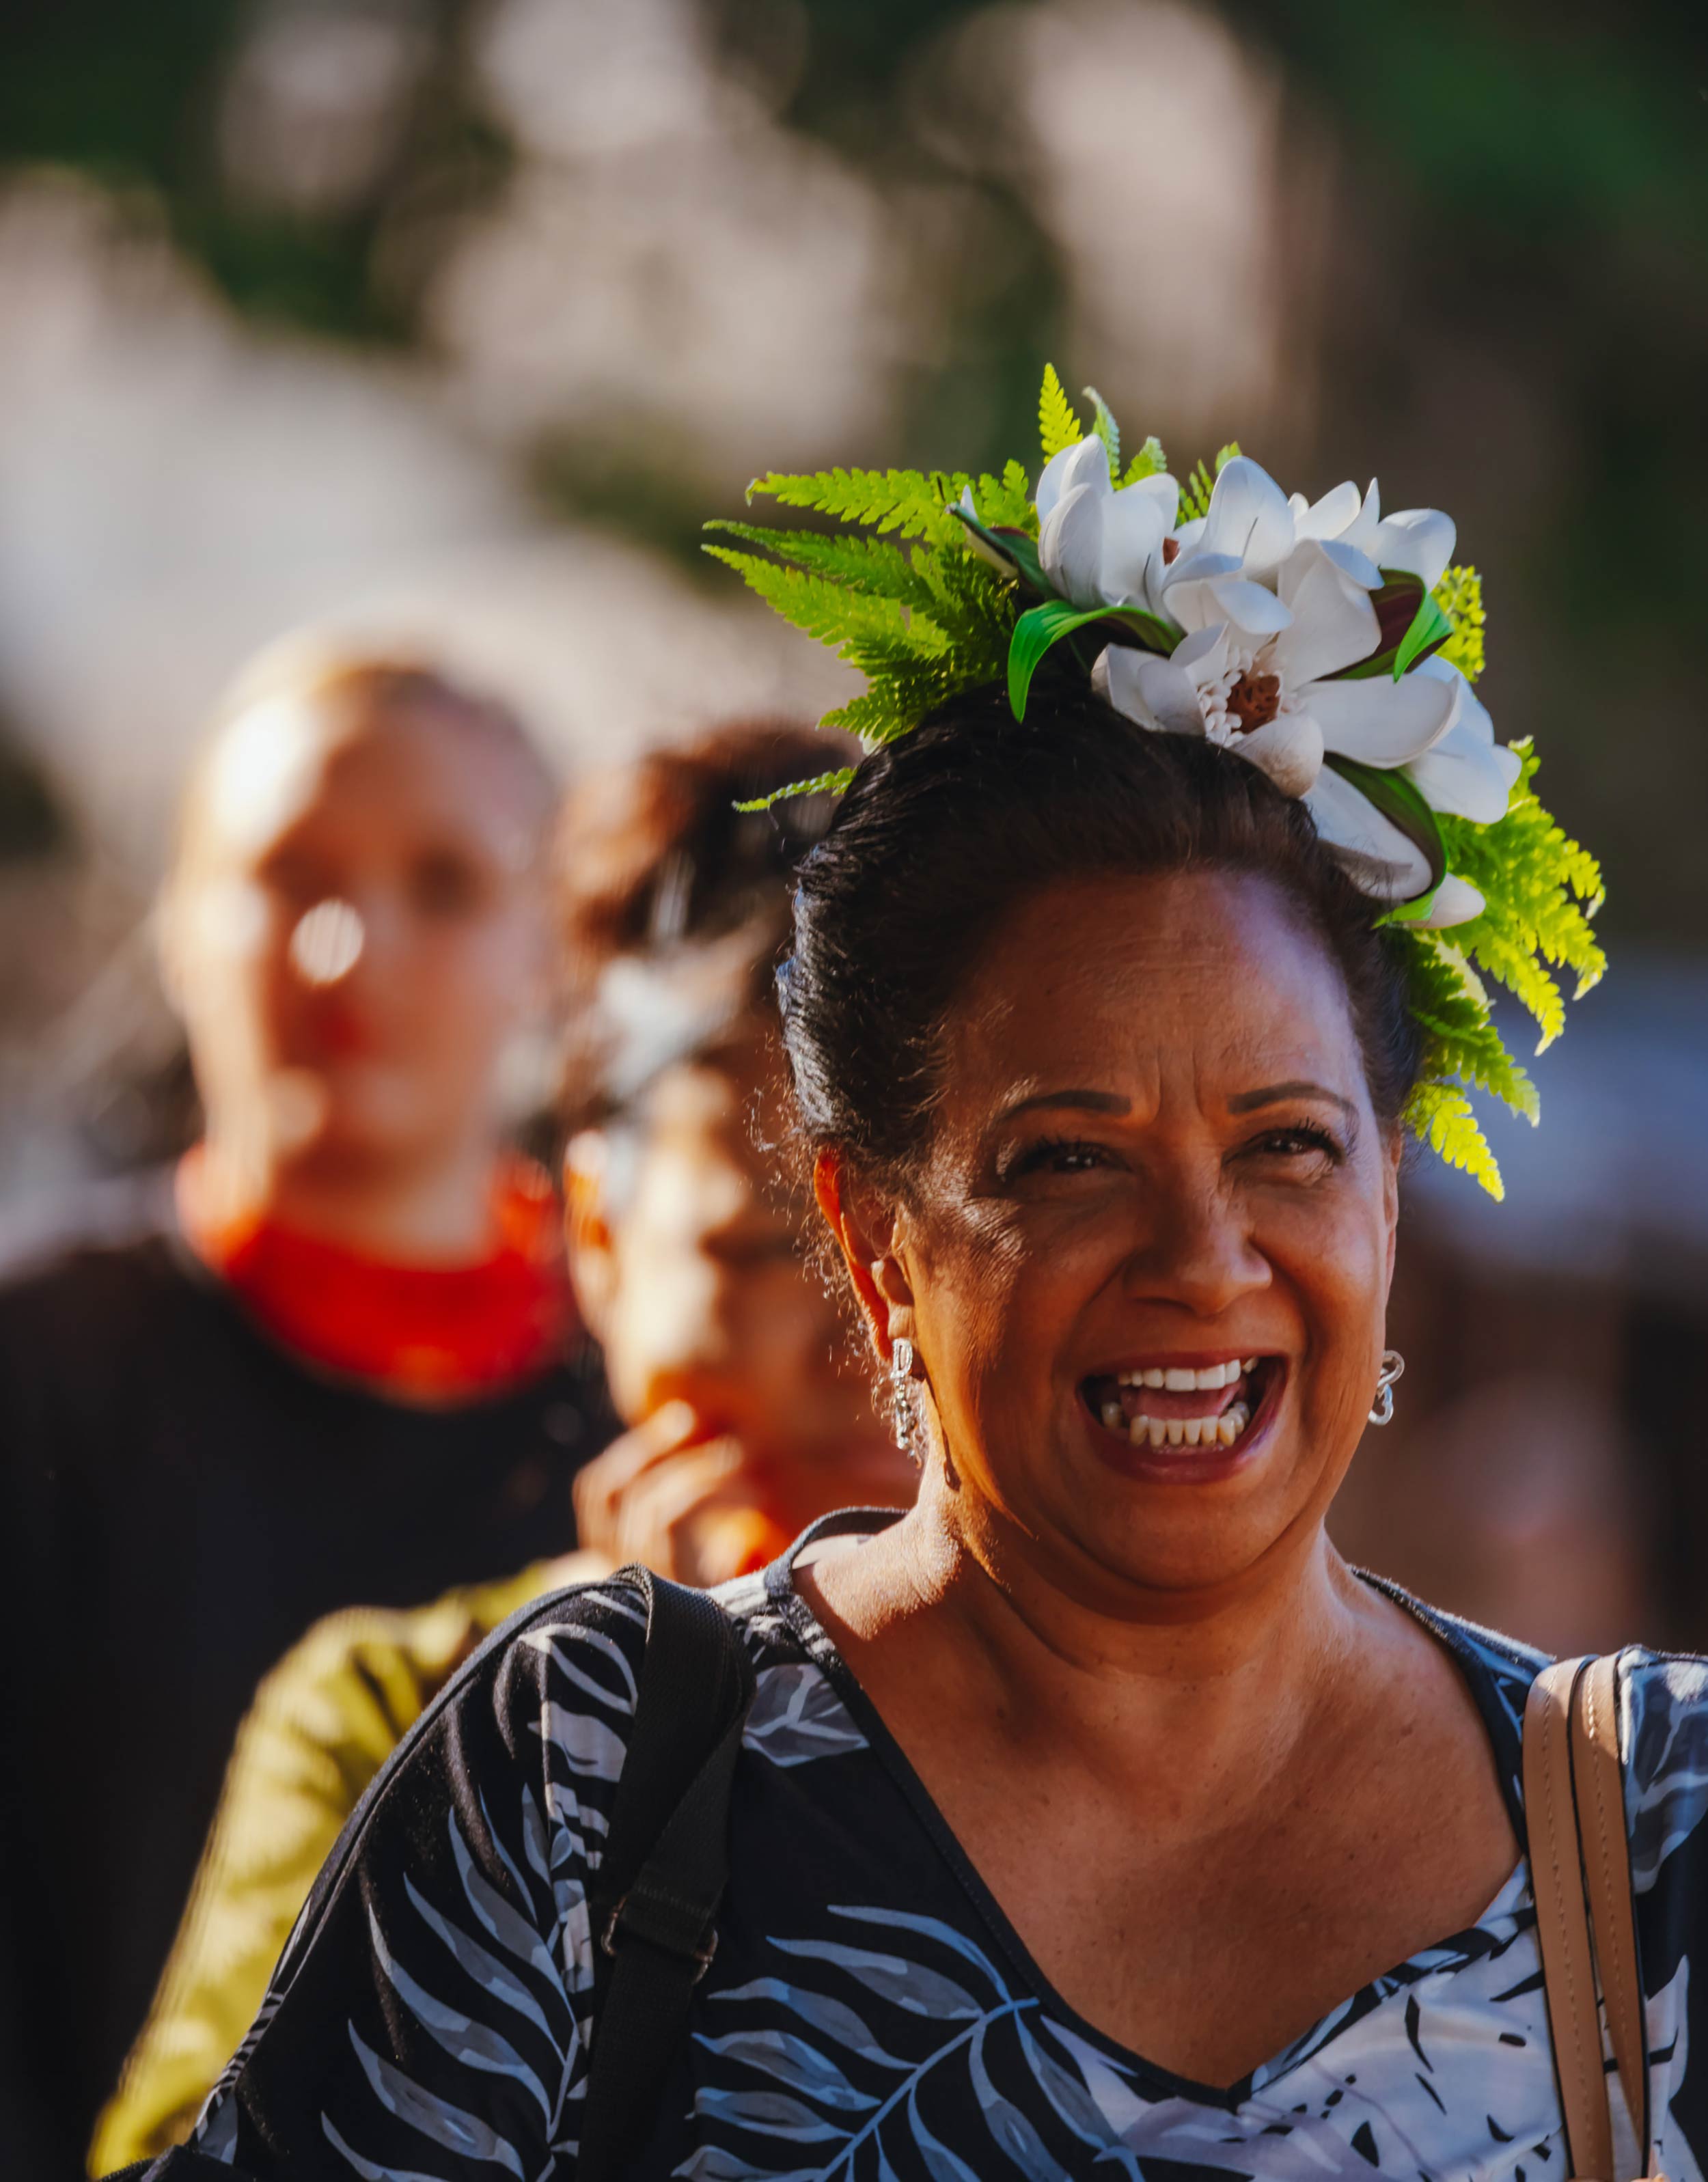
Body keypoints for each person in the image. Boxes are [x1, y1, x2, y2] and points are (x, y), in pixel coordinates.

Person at [154, 395, 1704, 2182]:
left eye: (1286, 1144)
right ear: (878, 1243)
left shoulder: (1649, 1826)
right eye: (1065, 1157)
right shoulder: (594, 1776)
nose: (1203, 1259)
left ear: (1383, 1193)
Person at [90, 724, 916, 2171]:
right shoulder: (388, 1714)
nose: (868, 1336)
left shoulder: (1156, 1712)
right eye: (762, 1250)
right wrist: (580, 1782)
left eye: (920, 1242)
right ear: (597, 1238)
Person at [0, 650, 609, 2177]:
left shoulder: (658, 1420)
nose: (352, 950)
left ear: (554, 952)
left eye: (446, 884)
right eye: (287, 876)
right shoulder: (36, 1373)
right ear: (178, 924)